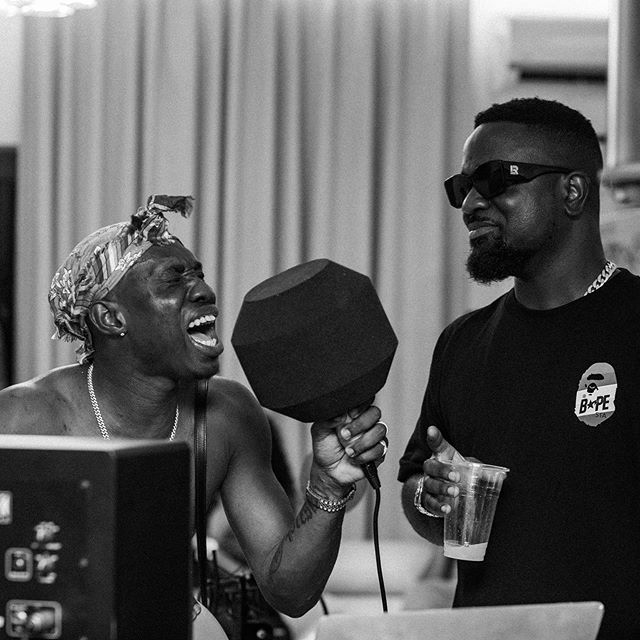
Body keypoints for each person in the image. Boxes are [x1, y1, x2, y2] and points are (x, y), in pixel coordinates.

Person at [0, 195, 389, 639]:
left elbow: (290, 592)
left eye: (198, 275)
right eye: (173, 279)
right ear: (111, 317)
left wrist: (328, 485)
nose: (204, 291)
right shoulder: (20, 419)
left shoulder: (227, 416)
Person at [397, 97, 640, 640]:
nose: (470, 204)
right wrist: (429, 497)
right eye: (463, 187)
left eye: (495, 180)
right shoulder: (461, 344)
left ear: (572, 192)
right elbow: (416, 486)